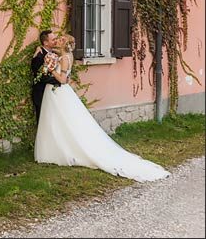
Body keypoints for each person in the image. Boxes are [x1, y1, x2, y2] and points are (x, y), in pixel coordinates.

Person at [34, 34, 170, 182]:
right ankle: (55, 149)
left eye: (60, 40)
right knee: (55, 121)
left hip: (59, 91)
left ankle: (65, 150)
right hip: (54, 93)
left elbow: (63, 80)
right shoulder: (62, 55)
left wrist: (50, 68)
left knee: (64, 122)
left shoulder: (65, 58)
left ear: (65, 44)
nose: (57, 41)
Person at [30, 30, 61, 125]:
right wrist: (59, 80)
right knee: (43, 121)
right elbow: (41, 77)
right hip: (42, 93)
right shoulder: (38, 56)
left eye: (56, 38)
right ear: (45, 42)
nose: (56, 41)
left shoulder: (55, 54)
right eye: (53, 39)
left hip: (52, 92)